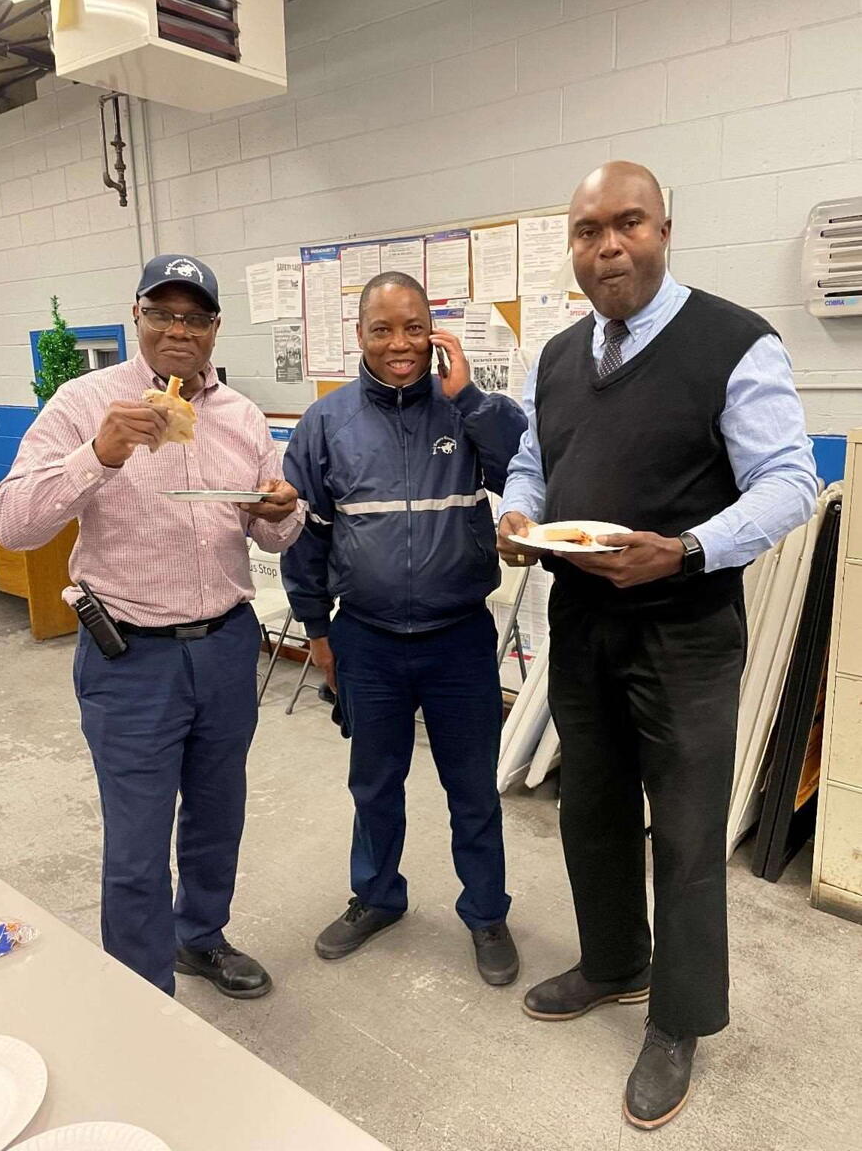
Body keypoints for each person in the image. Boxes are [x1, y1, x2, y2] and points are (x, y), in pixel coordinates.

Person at [498, 163, 818, 1130]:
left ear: (665, 227)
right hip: (582, 621)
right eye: (588, 229)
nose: (607, 246)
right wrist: (520, 513)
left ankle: (677, 1021)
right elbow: (530, 459)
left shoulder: (732, 342)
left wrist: (684, 550)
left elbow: (790, 483)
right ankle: (612, 964)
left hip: (684, 631)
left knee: (682, 836)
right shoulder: (556, 356)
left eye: (626, 223)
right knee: (590, 808)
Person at [0, 254, 302, 999]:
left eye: (194, 317)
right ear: (137, 316)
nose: (177, 330)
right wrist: (99, 455)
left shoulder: (241, 417)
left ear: (215, 329)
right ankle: (141, 996)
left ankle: (201, 937)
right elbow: (14, 524)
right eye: (161, 313)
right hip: (130, 660)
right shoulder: (83, 403)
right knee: (135, 848)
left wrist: (281, 513)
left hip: (228, 646)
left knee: (217, 817)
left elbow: (274, 537)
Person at [281, 271, 527, 985]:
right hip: (367, 640)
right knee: (375, 783)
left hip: (458, 641)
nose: (400, 344)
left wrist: (472, 398)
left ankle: (485, 912)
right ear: (359, 336)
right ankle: (377, 897)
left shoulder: (465, 412)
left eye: (414, 327)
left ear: (434, 332)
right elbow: (306, 532)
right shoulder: (325, 423)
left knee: (473, 788)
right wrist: (315, 629)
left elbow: (524, 466)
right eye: (382, 329)